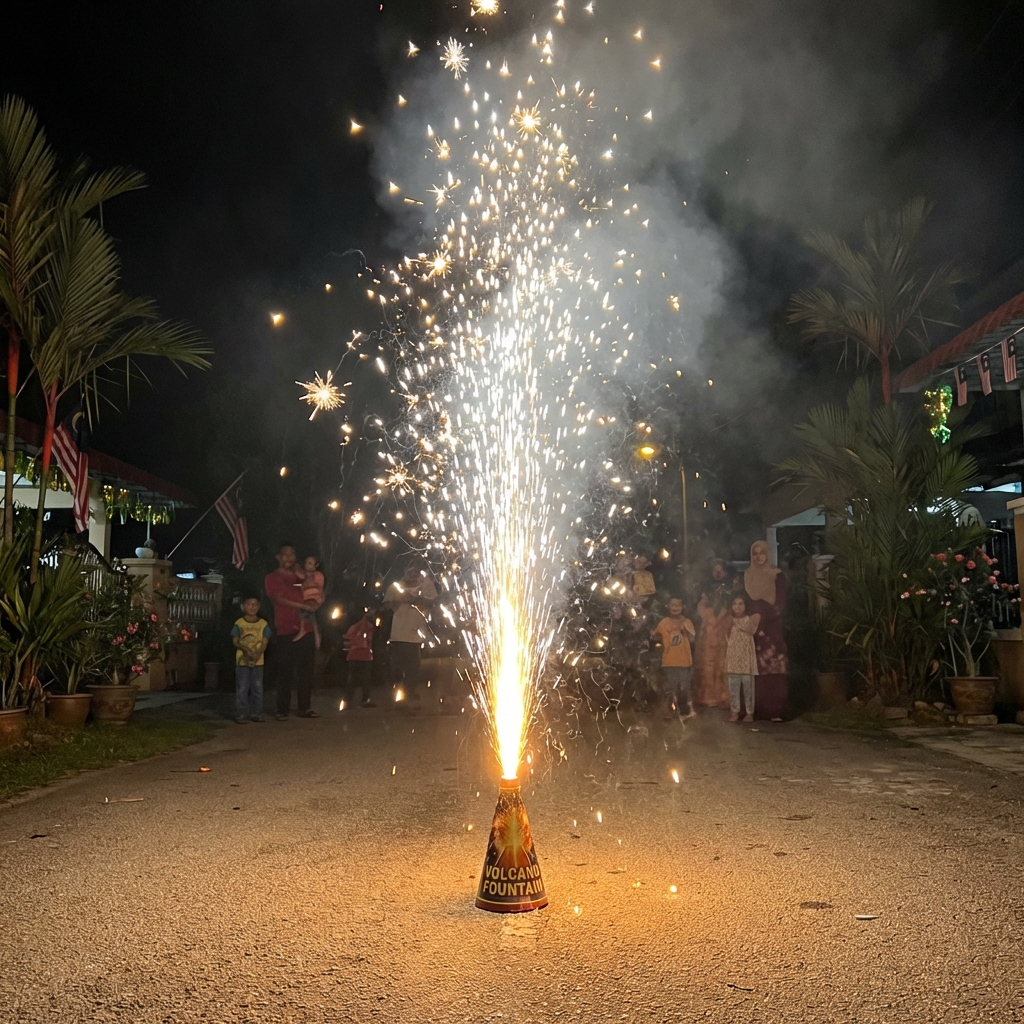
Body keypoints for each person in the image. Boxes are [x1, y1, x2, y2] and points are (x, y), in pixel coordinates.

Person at [265, 544, 320, 720]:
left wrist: (317, 630)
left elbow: (315, 593)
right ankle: (282, 709)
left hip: (307, 628)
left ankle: (305, 707)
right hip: (286, 630)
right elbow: (278, 599)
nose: (289, 558)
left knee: (306, 671)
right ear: (278, 557)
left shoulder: (302, 576)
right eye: (285, 555)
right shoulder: (273, 578)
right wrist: (303, 606)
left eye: (292, 554)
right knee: (285, 672)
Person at [744, 539, 789, 721]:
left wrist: (762, 613)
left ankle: (775, 710)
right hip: (751, 631)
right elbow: (744, 603)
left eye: (762, 552)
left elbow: (780, 605)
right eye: (755, 553)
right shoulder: (747, 575)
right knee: (755, 669)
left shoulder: (777, 576)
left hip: (772, 629)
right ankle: (758, 710)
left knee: (774, 669)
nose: (758, 557)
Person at [384, 563, 437, 702]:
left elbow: (432, 602)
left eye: (415, 568)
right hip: (398, 634)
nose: (412, 572)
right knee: (396, 668)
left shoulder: (426, 585)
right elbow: (386, 606)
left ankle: (409, 693)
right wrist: (400, 600)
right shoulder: (396, 587)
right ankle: (396, 695)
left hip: (415, 635)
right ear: (404, 569)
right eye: (409, 568)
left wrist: (416, 599)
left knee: (413, 668)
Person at [693, 558, 733, 708]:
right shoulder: (706, 588)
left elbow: (728, 607)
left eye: (720, 570)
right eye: (715, 570)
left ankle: (723, 696)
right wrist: (709, 617)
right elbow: (701, 606)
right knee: (707, 662)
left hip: (723, 629)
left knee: (722, 662)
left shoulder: (729, 589)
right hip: (709, 629)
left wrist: (720, 619)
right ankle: (707, 696)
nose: (717, 573)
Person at [650, 597, 697, 718]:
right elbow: (655, 636)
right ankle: (671, 710)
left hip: (684, 662)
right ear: (668, 607)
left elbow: (692, 639)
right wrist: (652, 635)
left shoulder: (687, 622)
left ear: (682, 607)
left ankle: (687, 710)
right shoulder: (664, 622)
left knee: (684, 688)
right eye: (673, 605)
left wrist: (685, 631)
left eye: (678, 605)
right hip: (669, 661)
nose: (675, 608)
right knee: (671, 687)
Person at [230, 596, 271, 723]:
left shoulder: (263, 624)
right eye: (249, 604)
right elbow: (235, 640)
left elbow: (265, 641)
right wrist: (245, 650)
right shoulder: (239, 623)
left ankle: (257, 713)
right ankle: (241, 713)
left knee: (257, 687)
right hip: (242, 661)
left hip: (258, 661)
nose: (252, 607)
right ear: (243, 606)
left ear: (259, 607)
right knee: (242, 687)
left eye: (255, 604)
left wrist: (258, 653)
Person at [725, 595, 760, 722]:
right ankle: (734, 712)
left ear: (745, 606)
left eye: (741, 604)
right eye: (735, 604)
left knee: (748, 687)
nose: (738, 607)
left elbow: (751, 630)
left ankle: (749, 713)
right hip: (734, 658)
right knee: (733, 687)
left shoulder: (750, 620)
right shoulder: (728, 620)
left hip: (746, 659)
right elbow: (726, 637)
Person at [343, 608, 376, 708]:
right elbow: (370, 640)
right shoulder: (367, 626)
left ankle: (348, 701)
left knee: (352, 679)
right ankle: (364, 700)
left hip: (354, 655)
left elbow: (346, 641)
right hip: (364, 655)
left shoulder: (352, 626)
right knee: (365, 679)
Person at [293, 555, 325, 647]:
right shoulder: (304, 575)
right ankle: (304, 630)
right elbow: (299, 575)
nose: (309, 565)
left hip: (315, 599)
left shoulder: (318, 575)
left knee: (314, 620)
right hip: (306, 599)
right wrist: (296, 568)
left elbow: (320, 586)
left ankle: (317, 640)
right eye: (307, 563)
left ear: (316, 565)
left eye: (311, 563)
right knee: (305, 617)